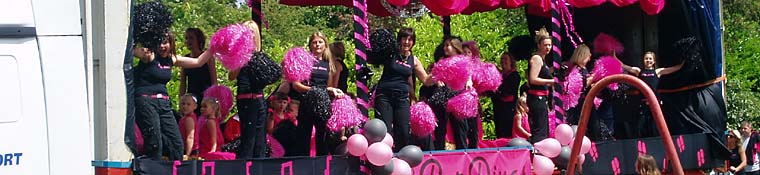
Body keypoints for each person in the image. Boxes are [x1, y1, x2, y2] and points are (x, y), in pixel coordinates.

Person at [133, 30, 216, 160]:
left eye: (165, 42)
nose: (162, 46)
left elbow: (198, 62)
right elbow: (134, 51)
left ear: (171, 43)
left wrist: (215, 46)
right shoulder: (149, 55)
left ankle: (175, 169)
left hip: (164, 104)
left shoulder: (172, 59)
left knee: (177, 144)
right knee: (155, 142)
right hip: (146, 101)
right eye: (159, 42)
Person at [370, 28, 435, 151]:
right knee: (385, 130)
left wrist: (440, 73)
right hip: (384, 96)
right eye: (404, 38)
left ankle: (401, 158)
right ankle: (383, 157)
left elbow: (426, 80)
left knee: (404, 131)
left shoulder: (414, 60)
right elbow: (373, 58)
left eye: (410, 39)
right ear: (399, 39)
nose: (407, 42)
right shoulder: (390, 53)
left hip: (402, 98)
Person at [284, 31, 345, 156]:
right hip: (307, 101)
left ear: (325, 45)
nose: (317, 45)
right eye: (314, 42)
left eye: (320, 42)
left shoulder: (329, 64)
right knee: (304, 136)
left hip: (323, 103)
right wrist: (315, 90)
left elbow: (329, 87)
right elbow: (296, 85)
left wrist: (335, 92)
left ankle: (323, 165)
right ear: (310, 45)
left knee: (323, 136)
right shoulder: (304, 62)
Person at [179, 28, 217, 116]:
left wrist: (213, 100)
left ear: (198, 40)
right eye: (186, 38)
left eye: (191, 38)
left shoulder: (207, 57)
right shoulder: (186, 58)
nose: (188, 41)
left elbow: (214, 81)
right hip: (191, 98)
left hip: (206, 97)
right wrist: (181, 101)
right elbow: (183, 83)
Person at [526, 28, 554, 143]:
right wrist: (551, 82)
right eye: (545, 45)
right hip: (536, 97)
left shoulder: (542, 60)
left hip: (542, 98)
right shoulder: (537, 59)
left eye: (549, 45)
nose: (548, 48)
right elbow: (533, 79)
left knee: (543, 127)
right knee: (540, 129)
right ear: (539, 45)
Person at [491, 52, 521, 139]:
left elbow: (505, 91)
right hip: (499, 108)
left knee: (507, 130)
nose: (503, 61)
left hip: (508, 109)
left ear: (511, 61)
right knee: (499, 131)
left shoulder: (514, 75)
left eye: (506, 59)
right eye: (502, 59)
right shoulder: (500, 75)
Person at [461, 41, 481, 148]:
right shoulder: (459, 67)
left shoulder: (476, 68)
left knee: (474, 129)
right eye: (464, 52)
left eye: (469, 52)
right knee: (464, 128)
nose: (466, 55)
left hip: (473, 102)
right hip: (460, 102)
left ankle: (473, 149)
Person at [178, 94, 200, 159]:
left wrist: (187, 154)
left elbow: (190, 137)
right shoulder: (185, 118)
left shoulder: (189, 119)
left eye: (188, 104)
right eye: (183, 104)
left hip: (190, 150)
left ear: (195, 106)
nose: (185, 106)